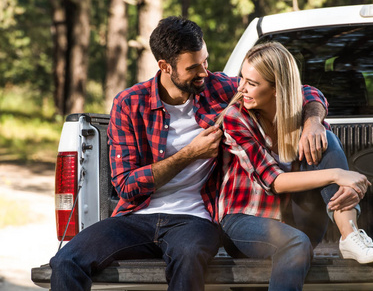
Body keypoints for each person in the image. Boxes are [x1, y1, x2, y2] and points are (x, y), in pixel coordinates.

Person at [49, 17, 331, 291]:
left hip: (196, 219)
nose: (204, 72)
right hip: (135, 218)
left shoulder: (218, 88)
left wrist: (313, 120)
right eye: (193, 67)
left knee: (188, 256)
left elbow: (300, 90)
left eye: (205, 61)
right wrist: (189, 154)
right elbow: (126, 185)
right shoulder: (129, 103)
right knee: (66, 261)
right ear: (165, 66)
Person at [216, 42, 373, 290]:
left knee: (325, 139)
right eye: (242, 78)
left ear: (277, 89)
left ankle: (349, 235)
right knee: (295, 243)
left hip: (298, 221)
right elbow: (273, 181)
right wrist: (340, 176)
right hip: (244, 222)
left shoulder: (304, 118)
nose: (240, 88)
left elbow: (309, 92)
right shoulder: (236, 117)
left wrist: (314, 122)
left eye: (251, 83)